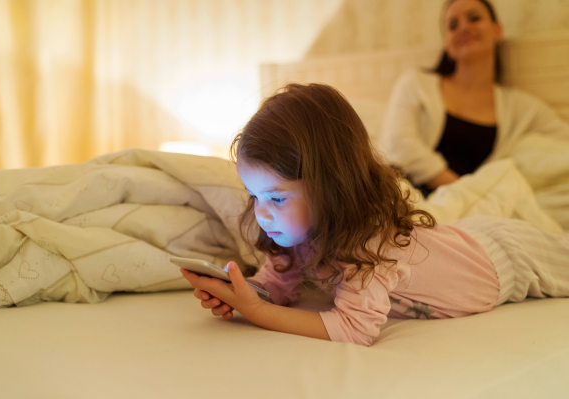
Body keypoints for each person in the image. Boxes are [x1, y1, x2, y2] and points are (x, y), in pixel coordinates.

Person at [180, 83, 569, 347]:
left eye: (277, 199)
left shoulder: (367, 240)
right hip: (458, 244)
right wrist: (244, 293)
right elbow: (278, 284)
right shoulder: (298, 235)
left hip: (503, 257)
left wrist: (258, 312)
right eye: (253, 195)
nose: (261, 213)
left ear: (330, 187)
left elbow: (355, 329)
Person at [380, 0, 569, 194]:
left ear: (497, 30)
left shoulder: (521, 107)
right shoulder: (415, 83)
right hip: (406, 200)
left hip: (467, 213)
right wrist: (464, 191)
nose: (464, 28)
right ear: (447, 44)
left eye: (474, 18)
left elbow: (563, 136)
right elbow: (399, 145)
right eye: (453, 25)